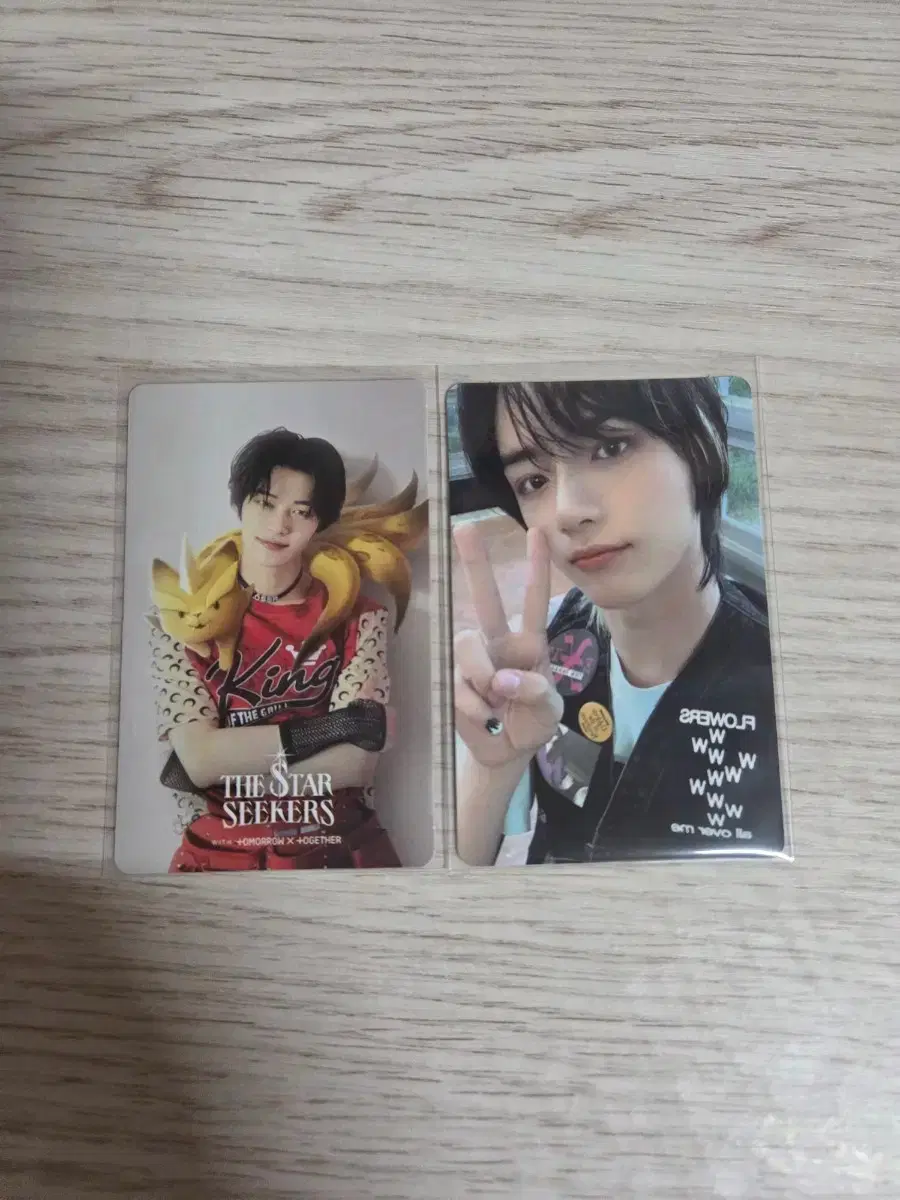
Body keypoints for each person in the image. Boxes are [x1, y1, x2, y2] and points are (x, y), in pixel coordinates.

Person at [452, 379, 785, 866]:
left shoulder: (788, 685)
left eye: (610, 447)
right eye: (534, 481)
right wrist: (493, 767)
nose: (567, 512)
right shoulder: (535, 661)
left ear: (704, 443)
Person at [148, 427, 425, 871]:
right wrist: (329, 730)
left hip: (337, 850)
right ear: (241, 503)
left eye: (302, 511)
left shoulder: (359, 618)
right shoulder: (181, 620)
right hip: (216, 862)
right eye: (265, 502)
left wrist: (227, 766)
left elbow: (355, 764)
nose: (280, 525)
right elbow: (198, 762)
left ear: (319, 522)